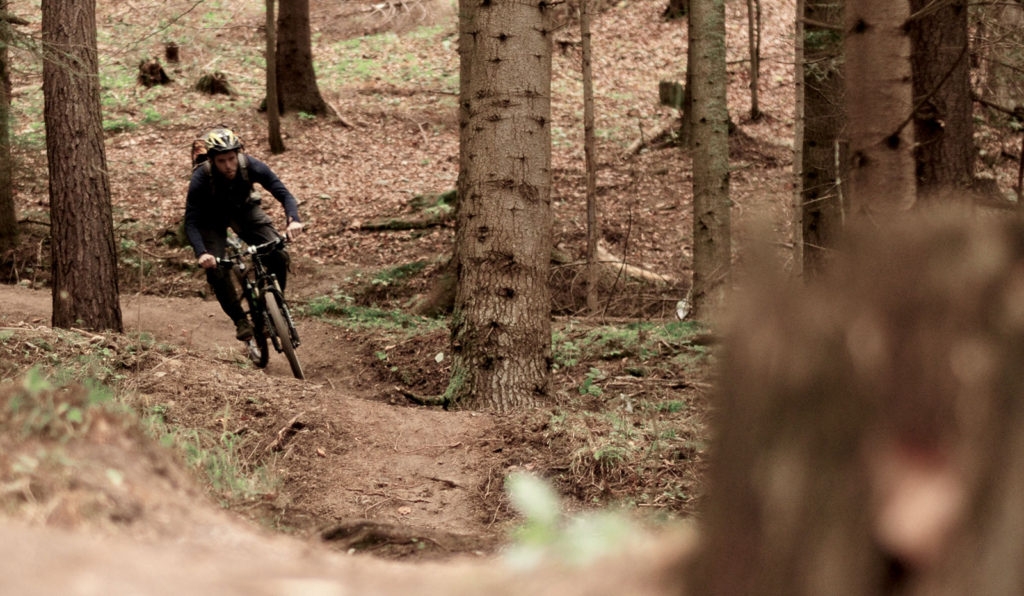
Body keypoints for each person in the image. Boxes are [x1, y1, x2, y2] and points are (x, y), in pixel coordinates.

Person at [184, 127, 304, 341]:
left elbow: (284, 194)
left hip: (245, 211)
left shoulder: (251, 165)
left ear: (238, 153)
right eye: (222, 161)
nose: (229, 166)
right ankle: (240, 321)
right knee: (217, 270)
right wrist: (202, 252)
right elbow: (191, 222)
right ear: (212, 160)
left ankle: (275, 304)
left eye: (232, 158)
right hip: (212, 221)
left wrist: (293, 219)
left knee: (277, 252)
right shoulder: (201, 177)